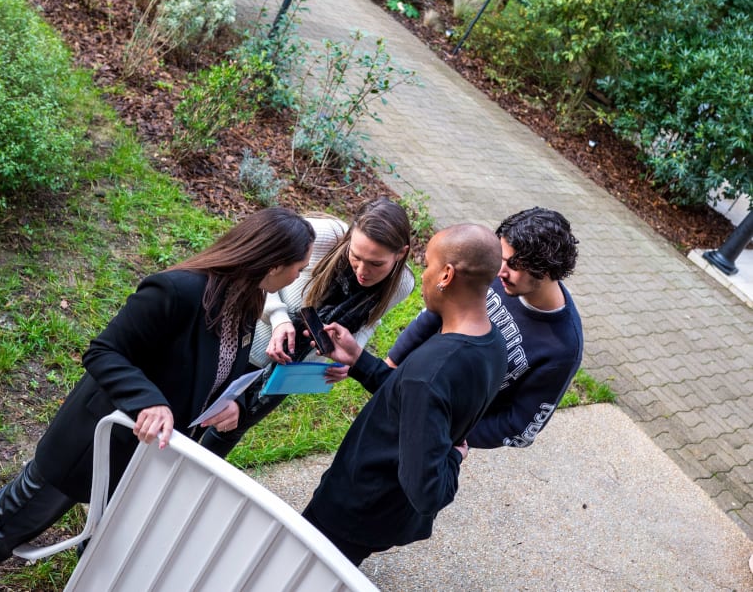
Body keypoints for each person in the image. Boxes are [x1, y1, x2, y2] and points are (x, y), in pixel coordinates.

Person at [0, 207, 316, 592]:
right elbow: (103, 351)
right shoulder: (177, 290)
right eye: (298, 268)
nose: (299, 277)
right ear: (272, 264)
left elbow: (213, 368)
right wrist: (150, 401)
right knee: (3, 526)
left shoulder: (247, 301)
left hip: (142, 455)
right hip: (90, 444)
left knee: (111, 542)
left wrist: (233, 402)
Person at [302, 223, 508, 566]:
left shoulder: (430, 372)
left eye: (427, 265)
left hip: (354, 509)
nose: (423, 275)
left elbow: (428, 491)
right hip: (383, 512)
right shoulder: (492, 345)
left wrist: (454, 459)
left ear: (446, 274)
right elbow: (413, 404)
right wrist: (359, 361)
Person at [199, 197, 414, 458]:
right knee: (201, 412)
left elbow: (371, 321)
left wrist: (351, 357)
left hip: (291, 368)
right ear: (348, 236)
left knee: (230, 430)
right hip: (248, 344)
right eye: (355, 256)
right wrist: (279, 319)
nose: (362, 271)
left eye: (376, 264)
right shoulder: (321, 235)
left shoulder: (402, 284)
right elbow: (256, 273)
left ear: (400, 253)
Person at [382, 206, 582, 448]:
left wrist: (447, 434)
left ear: (547, 270)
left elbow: (519, 425)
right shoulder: (494, 273)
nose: (500, 271)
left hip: (439, 436)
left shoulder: (562, 349)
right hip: (410, 385)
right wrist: (391, 363)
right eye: (501, 257)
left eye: (513, 265)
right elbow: (437, 310)